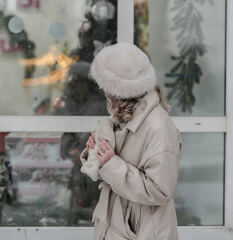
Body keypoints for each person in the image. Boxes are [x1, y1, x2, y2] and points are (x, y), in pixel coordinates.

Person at [80, 42, 183, 240]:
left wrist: (111, 163)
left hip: (142, 231)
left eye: (106, 87)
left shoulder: (158, 127)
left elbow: (161, 190)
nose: (103, 93)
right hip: (117, 224)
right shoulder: (123, 118)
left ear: (117, 92)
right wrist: (97, 154)